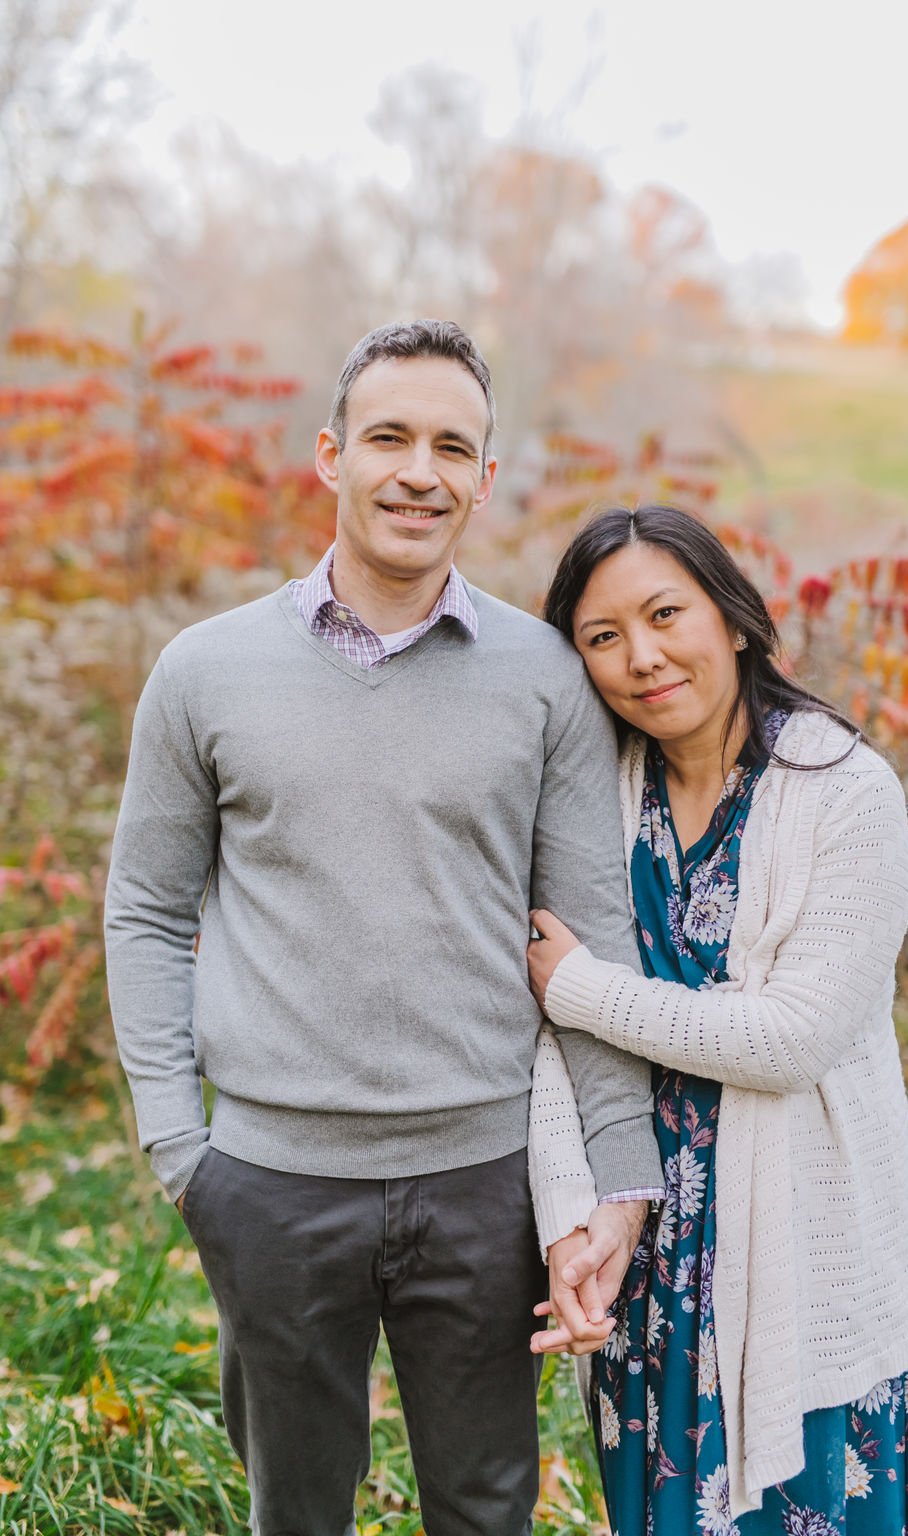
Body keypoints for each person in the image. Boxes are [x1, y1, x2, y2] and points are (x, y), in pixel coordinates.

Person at [104, 320, 665, 1536]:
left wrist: (618, 1179)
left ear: (483, 479)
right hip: (268, 1182)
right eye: (390, 438)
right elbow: (145, 911)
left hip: (483, 1183)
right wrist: (177, 1149)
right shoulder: (204, 672)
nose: (420, 470)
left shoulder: (542, 675)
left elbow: (593, 942)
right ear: (329, 455)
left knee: (483, 1506)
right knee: (295, 1512)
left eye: (450, 446)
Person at [525, 505, 908, 1536]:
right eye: (601, 638)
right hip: (649, 1274)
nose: (642, 657)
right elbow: (549, 1044)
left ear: (733, 617)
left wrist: (585, 990)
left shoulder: (841, 792)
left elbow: (790, 1038)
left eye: (665, 613)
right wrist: (569, 1225)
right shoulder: (595, 798)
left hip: (804, 1266)